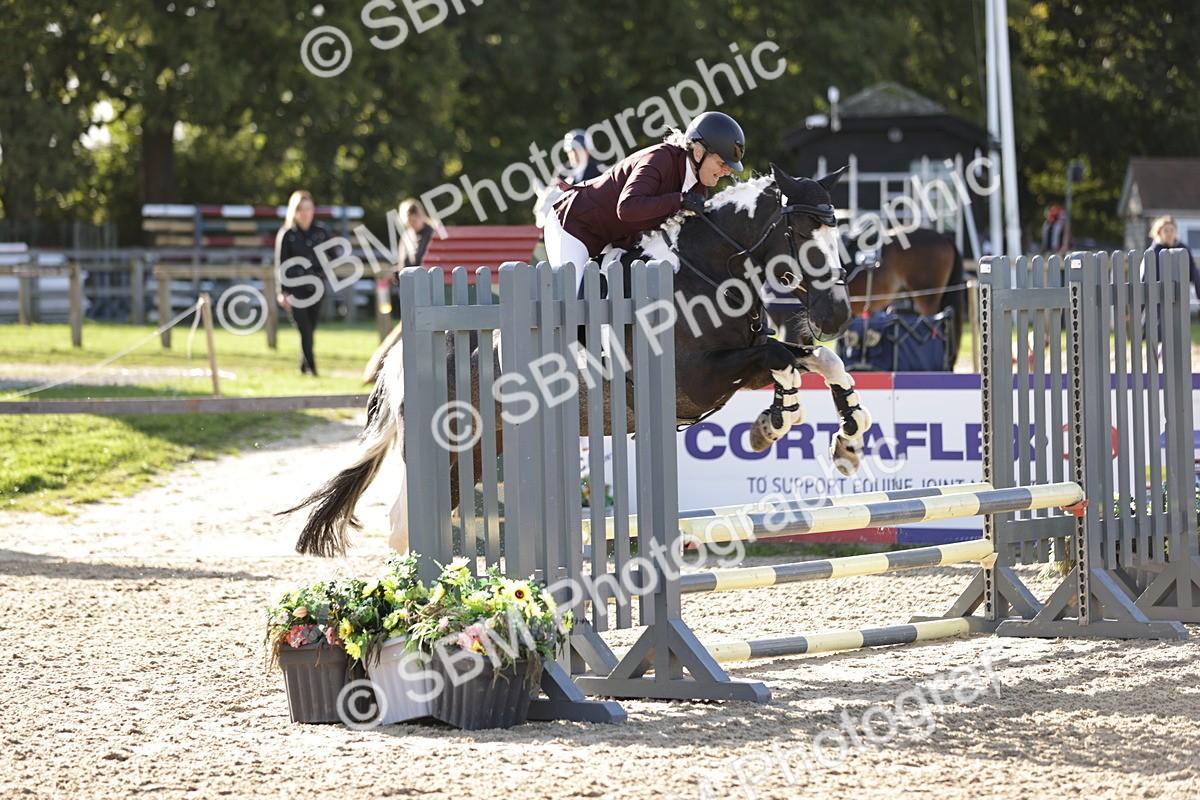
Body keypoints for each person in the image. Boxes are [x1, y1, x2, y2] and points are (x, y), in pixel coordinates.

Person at [544, 111, 745, 294]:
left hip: (617, 240)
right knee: (571, 299)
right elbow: (627, 208)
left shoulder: (698, 188)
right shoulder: (659, 159)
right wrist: (679, 201)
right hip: (574, 226)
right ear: (699, 153)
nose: (727, 171)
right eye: (722, 163)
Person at [276, 190, 331, 376]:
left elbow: (332, 256)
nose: (305, 213)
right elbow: (280, 263)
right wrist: (282, 292)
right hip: (294, 289)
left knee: (310, 329)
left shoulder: (322, 232)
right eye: (301, 209)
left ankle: (302, 366)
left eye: (308, 208)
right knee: (304, 329)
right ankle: (313, 370)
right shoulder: (286, 234)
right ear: (295, 211)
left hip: (317, 287)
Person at [388, 198, 436, 317]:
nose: (412, 224)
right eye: (410, 221)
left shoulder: (432, 234)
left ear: (420, 216)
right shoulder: (406, 236)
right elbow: (403, 263)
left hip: (428, 285)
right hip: (409, 286)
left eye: (414, 219)